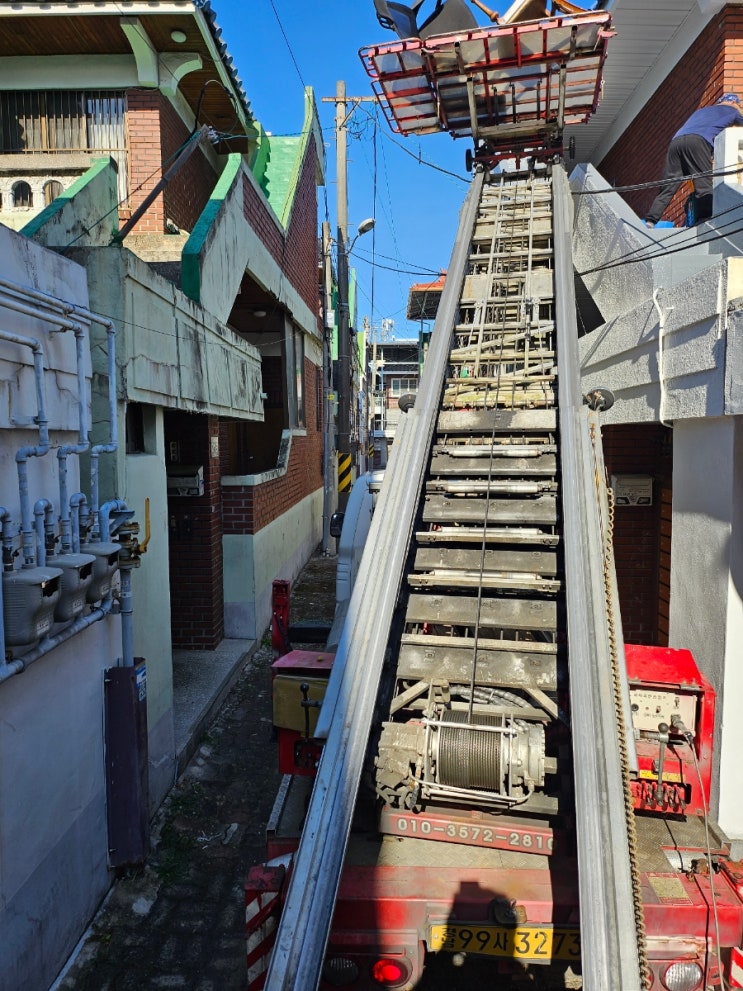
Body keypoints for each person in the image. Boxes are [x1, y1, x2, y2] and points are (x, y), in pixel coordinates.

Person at [644, 93, 743, 227]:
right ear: (733, 102)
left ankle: (651, 220)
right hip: (697, 141)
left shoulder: (701, 111)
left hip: (676, 143)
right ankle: (705, 220)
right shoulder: (732, 111)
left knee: (669, 185)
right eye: (739, 105)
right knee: (703, 182)